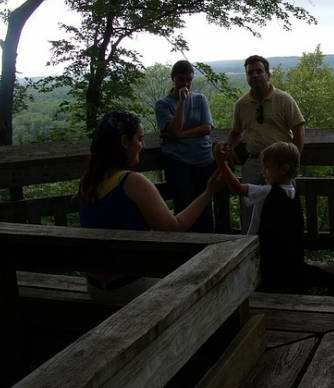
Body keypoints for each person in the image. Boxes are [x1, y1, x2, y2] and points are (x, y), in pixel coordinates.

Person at [78, 111, 222, 303]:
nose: (142, 145)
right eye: (139, 138)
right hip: (130, 287)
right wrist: (208, 193)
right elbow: (174, 227)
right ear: (124, 142)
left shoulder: (88, 182)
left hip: (96, 287)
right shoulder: (131, 182)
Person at [225, 55, 305, 233]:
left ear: (268, 74)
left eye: (259, 71)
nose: (254, 75)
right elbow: (236, 132)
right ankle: (250, 252)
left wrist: (294, 159)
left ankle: (284, 249)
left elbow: (299, 129)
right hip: (253, 163)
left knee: (283, 210)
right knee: (249, 210)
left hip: (280, 165)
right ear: (246, 76)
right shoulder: (241, 105)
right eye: (250, 72)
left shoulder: (284, 99)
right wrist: (228, 148)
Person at [214, 141, 306, 293]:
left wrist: (221, 162)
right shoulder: (292, 191)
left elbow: (238, 188)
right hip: (281, 254)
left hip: (257, 250)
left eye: (267, 167)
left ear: (283, 169)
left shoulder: (267, 192)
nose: (263, 171)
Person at [155, 60, 215, 233]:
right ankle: (186, 248)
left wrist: (180, 135)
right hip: (177, 162)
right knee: (183, 205)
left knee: (204, 205)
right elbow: (173, 129)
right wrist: (181, 103)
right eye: (181, 80)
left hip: (204, 160)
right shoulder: (163, 104)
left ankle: (208, 246)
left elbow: (207, 127)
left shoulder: (200, 99)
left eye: (189, 80)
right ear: (173, 79)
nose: (186, 84)